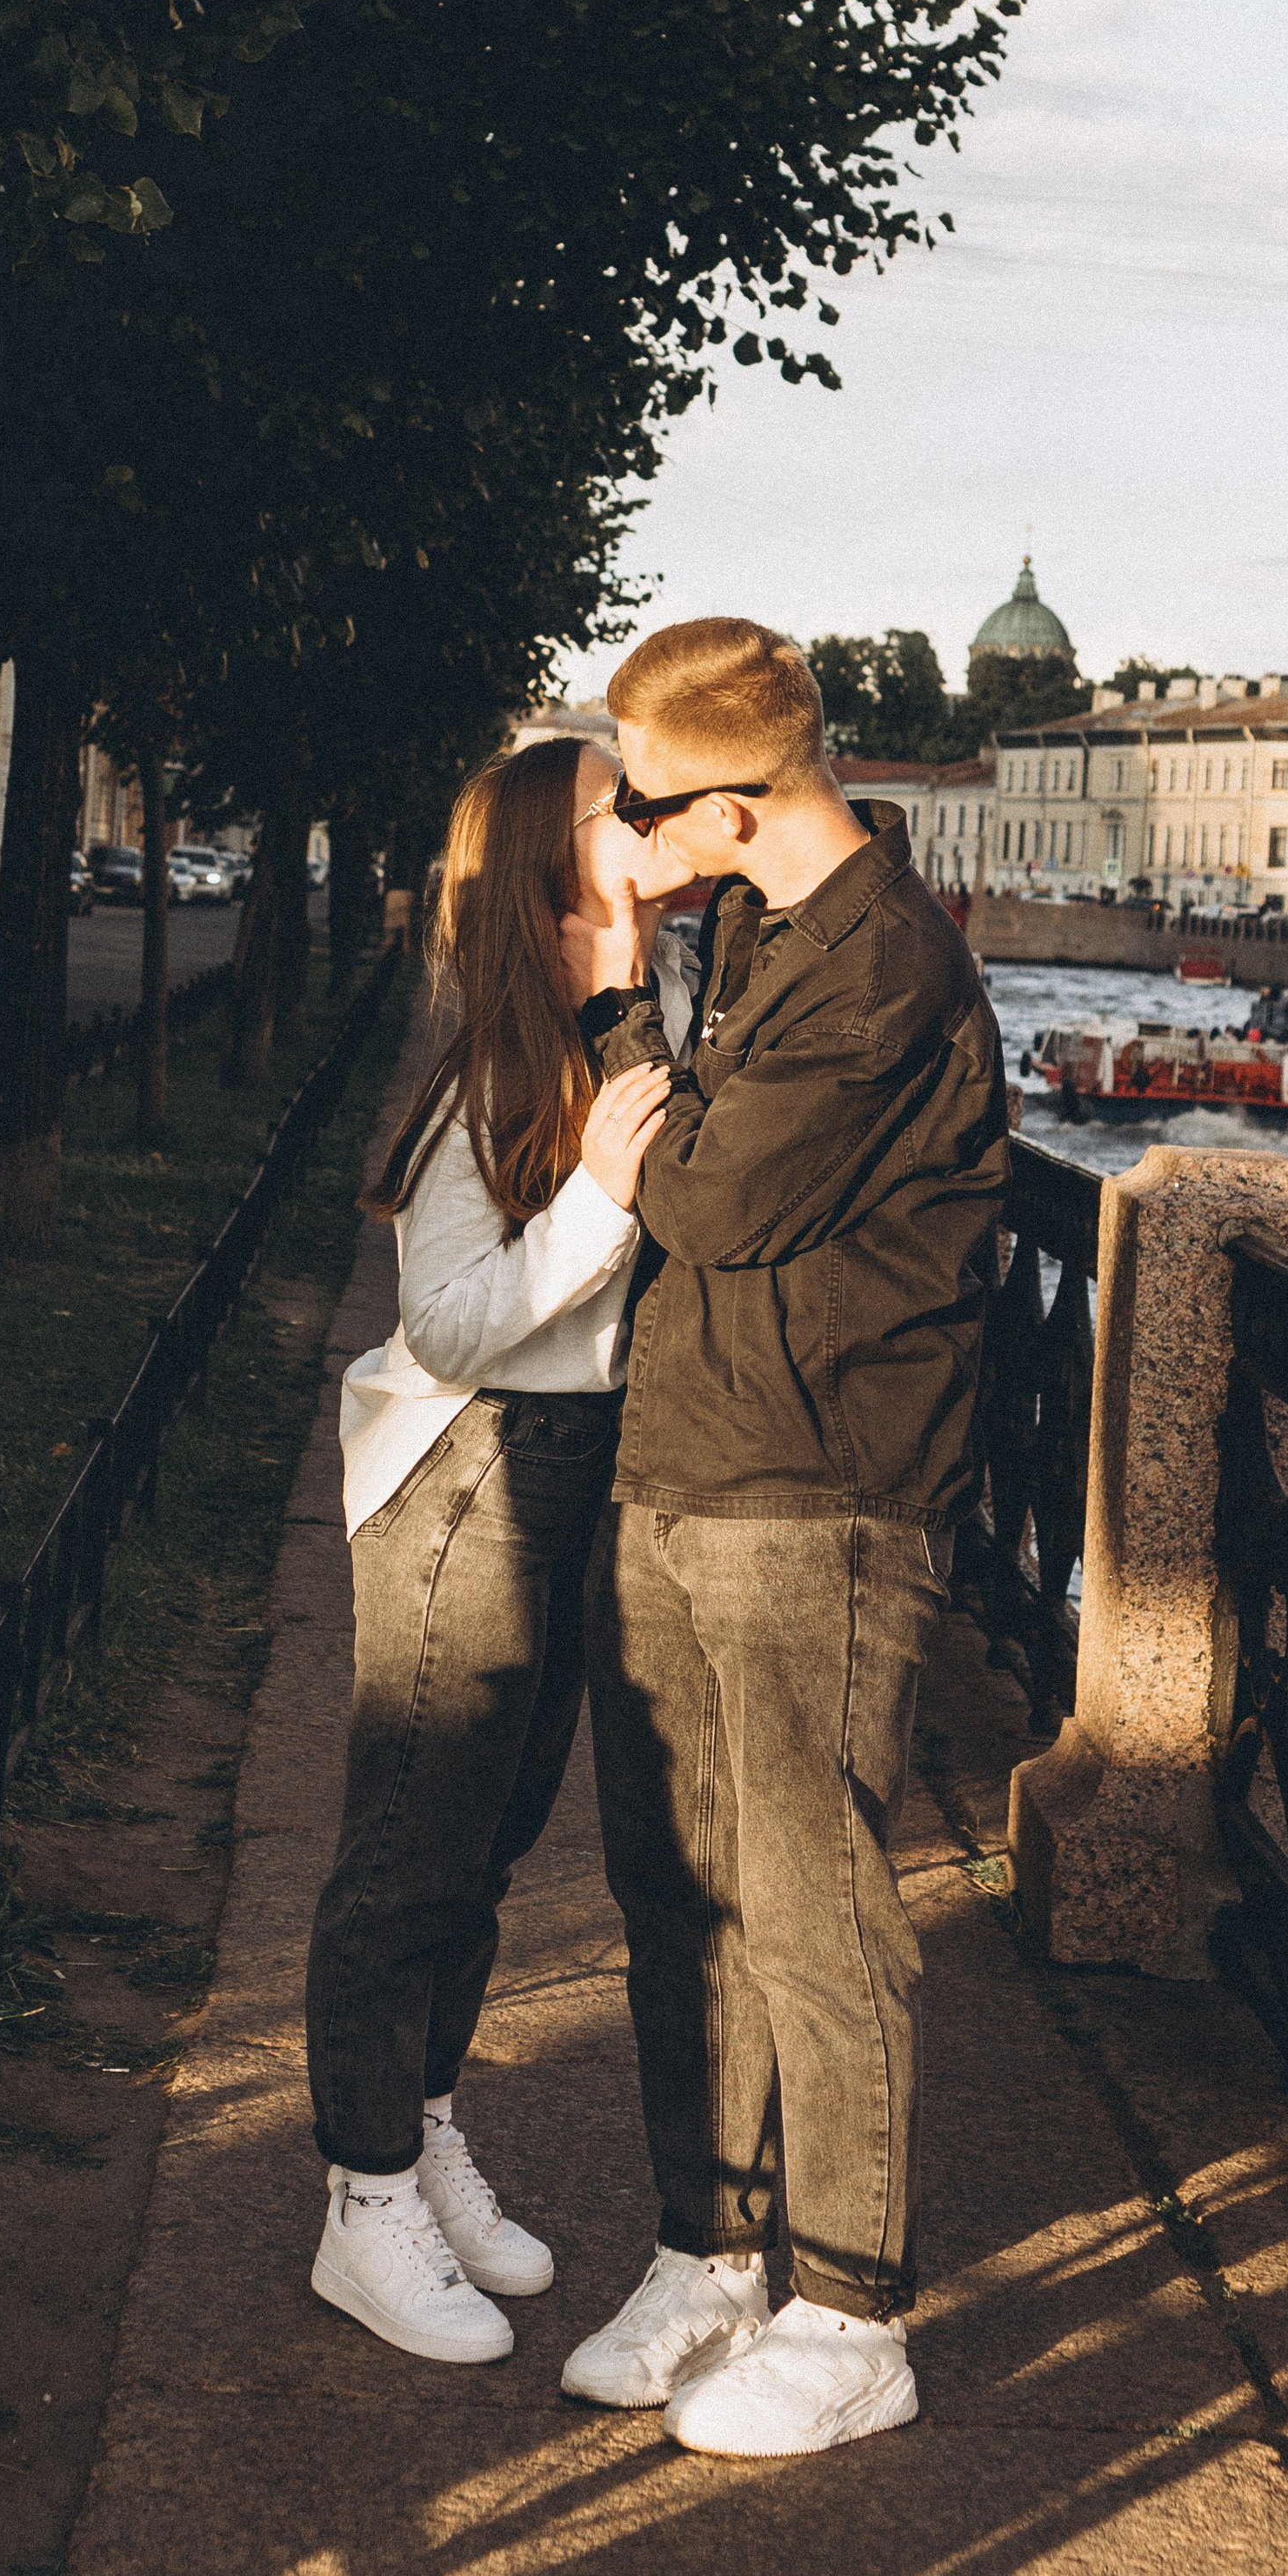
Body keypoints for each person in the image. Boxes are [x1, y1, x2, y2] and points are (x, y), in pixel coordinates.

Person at [557, 617, 1006, 2459]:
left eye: (639, 802)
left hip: (820, 1490)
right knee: (677, 1893)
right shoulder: (749, 932)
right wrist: (631, 993)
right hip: (682, 1461)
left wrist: (611, 1053)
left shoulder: (887, 967)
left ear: (733, 803)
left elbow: (716, 1196)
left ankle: (851, 2310)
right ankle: (711, 2255)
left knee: (816, 1915)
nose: (618, 828)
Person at [304, 736, 673, 2366]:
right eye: (620, 816)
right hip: (470, 1472)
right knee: (407, 1852)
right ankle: (361, 2198)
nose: (651, 834)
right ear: (548, 866)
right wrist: (600, 1197)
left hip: (568, 1468)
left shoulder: (624, 1031)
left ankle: (424, 2123)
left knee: (494, 1840)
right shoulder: (492, 1081)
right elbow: (450, 1324)